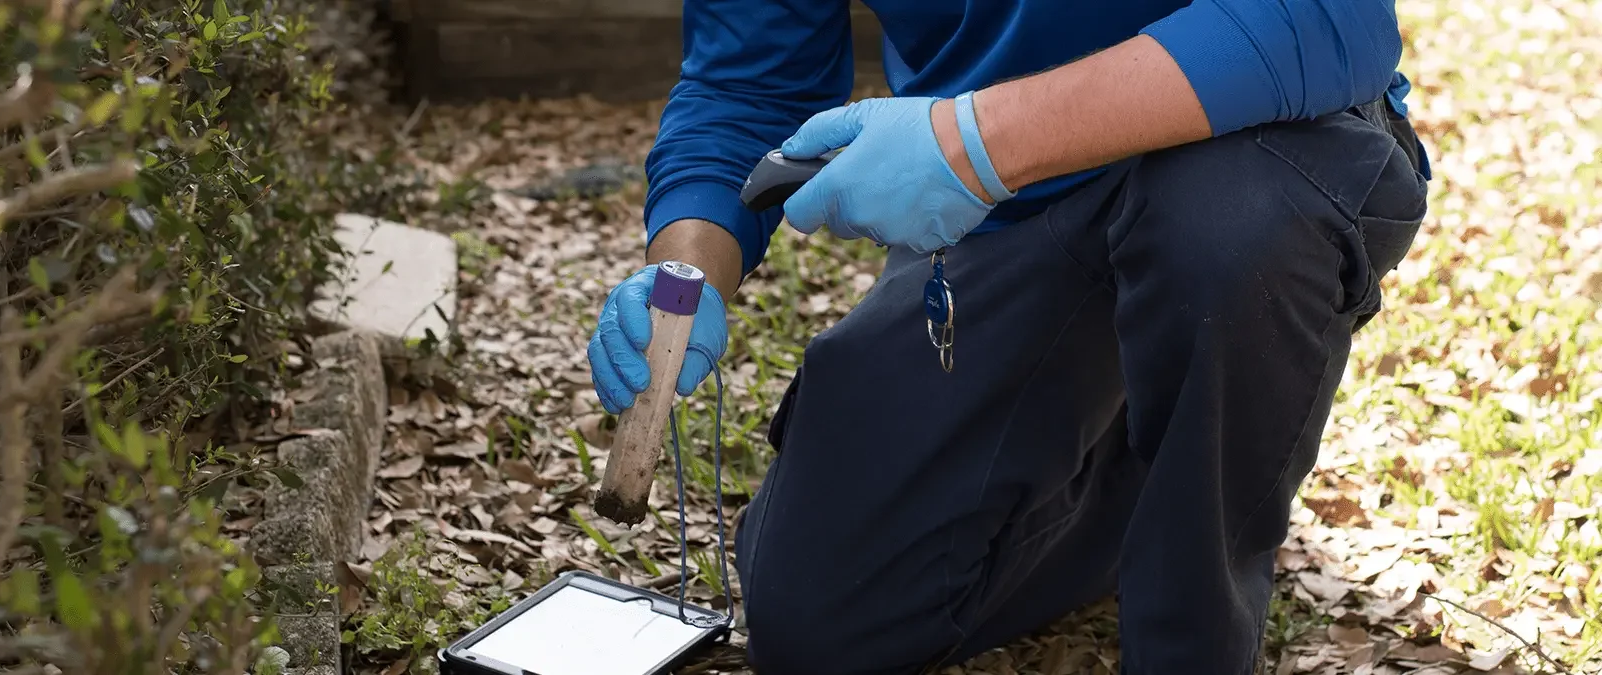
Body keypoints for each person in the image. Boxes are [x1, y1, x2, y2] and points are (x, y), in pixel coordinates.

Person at [585, 1, 1434, 673]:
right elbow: (745, 85)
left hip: (1247, 151)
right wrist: (685, 273)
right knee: (820, 619)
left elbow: (1330, 14)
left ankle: (1192, 619)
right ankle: (1142, 478)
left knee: (1227, 231)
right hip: (1000, 210)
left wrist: (977, 144)